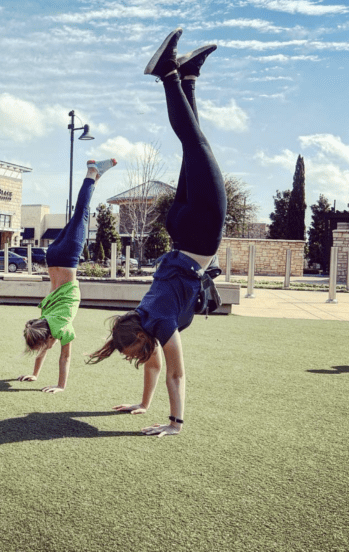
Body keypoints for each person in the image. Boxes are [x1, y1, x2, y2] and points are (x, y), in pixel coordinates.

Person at [87, 28, 226, 437]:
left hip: (199, 232)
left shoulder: (159, 323)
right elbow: (153, 363)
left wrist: (174, 424)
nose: (136, 358)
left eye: (132, 351)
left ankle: (168, 73)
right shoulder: (143, 315)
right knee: (193, 146)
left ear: (141, 334)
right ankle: (189, 80)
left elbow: (176, 375)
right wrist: (143, 404)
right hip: (181, 230)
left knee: (197, 144)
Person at [19, 158, 117, 393]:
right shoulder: (44, 318)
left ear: (46, 336)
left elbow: (65, 358)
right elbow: (45, 347)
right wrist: (34, 374)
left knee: (81, 214)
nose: (45, 347)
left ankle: (92, 171)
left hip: (69, 257)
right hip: (51, 256)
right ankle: (95, 176)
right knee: (78, 216)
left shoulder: (62, 328)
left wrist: (61, 386)